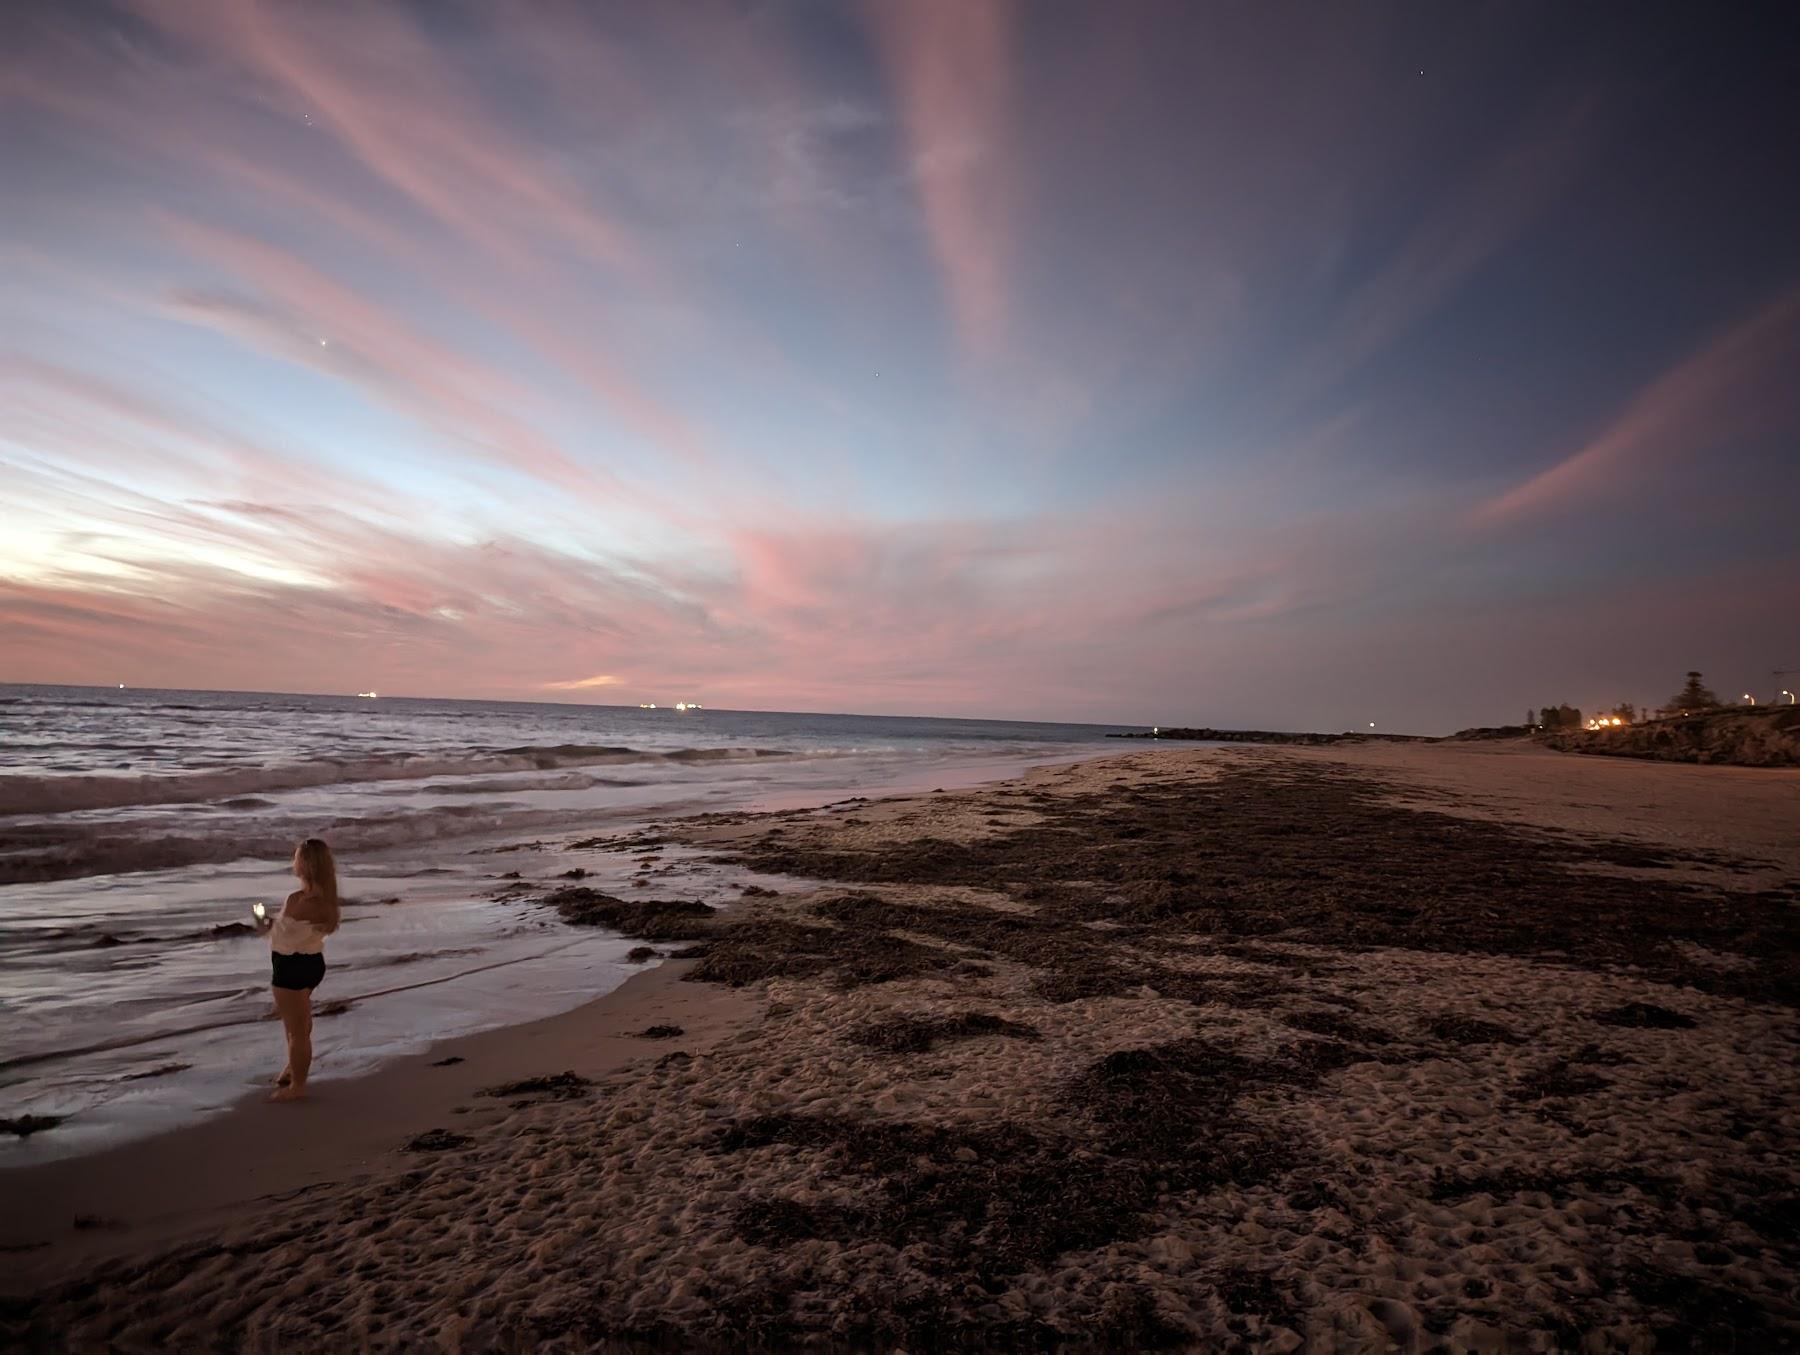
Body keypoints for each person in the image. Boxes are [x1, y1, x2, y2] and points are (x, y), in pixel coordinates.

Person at [254, 838, 341, 1102]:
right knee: (299, 1021)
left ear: (304, 865)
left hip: (288, 966)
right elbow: (298, 932)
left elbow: (274, 932)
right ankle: (293, 1066)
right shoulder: (328, 903)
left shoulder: (296, 899)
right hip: (313, 964)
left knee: (296, 1029)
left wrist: (258, 915)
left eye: (296, 858)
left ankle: (298, 1086)